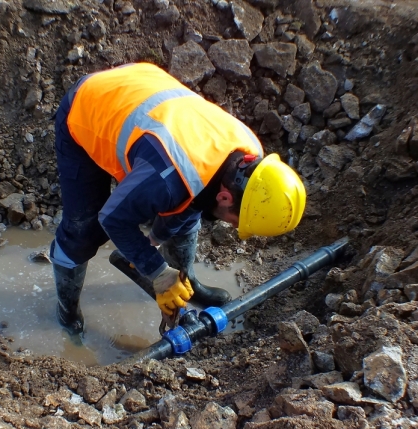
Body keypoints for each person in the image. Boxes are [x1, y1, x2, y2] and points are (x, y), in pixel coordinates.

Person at [49, 63, 307, 335]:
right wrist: (157, 272)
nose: (233, 227)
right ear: (226, 196)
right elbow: (112, 219)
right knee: (85, 228)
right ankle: (67, 310)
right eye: (235, 221)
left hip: (142, 92)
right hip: (88, 106)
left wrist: (152, 243)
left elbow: (193, 202)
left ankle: (187, 281)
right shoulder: (167, 178)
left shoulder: (249, 154)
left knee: (187, 210)